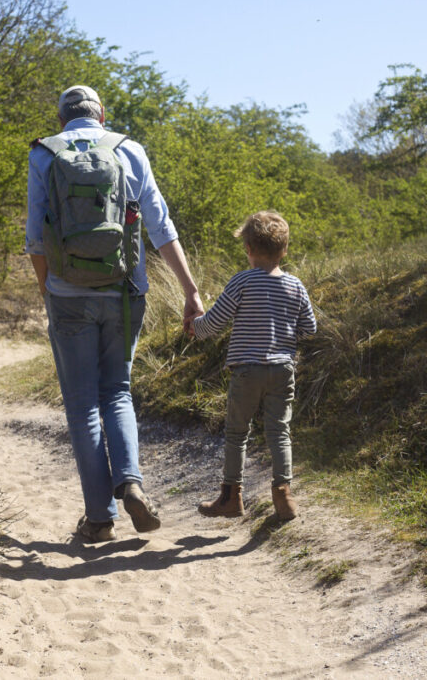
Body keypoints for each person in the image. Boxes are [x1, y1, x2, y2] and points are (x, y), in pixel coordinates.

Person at [26, 85, 203, 542]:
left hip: (68, 295)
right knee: (117, 392)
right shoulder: (129, 150)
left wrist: (50, 292)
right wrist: (190, 290)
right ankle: (131, 482)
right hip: (125, 292)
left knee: (83, 403)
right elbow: (161, 225)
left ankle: (100, 519)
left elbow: (34, 236)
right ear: (101, 114)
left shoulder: (44, 154)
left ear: (62, 118)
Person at [189, 211, 316, 521]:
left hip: (247, 369)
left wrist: (195, 326)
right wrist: (288, 333)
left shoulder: (243, 281)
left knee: (236, 433)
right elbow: (310, 328)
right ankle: (283, 494)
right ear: (284, 249)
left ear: (247, 248)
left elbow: (214, 323)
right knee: (279, 432)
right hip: (282, 369)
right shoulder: (296, 286)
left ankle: (232, 497)